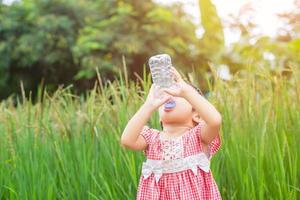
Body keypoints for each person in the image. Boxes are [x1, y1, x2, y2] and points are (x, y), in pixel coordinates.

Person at [120, 66, 222, 199]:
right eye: (166, 94)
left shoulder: (198, 136)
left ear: (197, 115)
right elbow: (127, 141)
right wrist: (149, 105)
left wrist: (186, 91)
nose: (169, 96)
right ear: (159, 117)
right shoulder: (151, 138)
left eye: (177, 95)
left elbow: (215, 121)